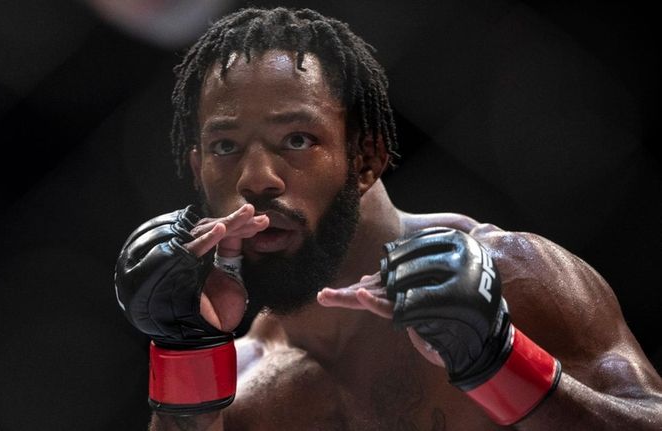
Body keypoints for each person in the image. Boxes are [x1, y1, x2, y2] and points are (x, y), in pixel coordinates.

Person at [114, 7, 662, 430]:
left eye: (297, 140)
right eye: (225, 146)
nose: (256, 179)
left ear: (367, 157)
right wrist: (185, 349)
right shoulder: (238, 377)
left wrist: (501, 360)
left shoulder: (511, 275)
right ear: (197, 170)